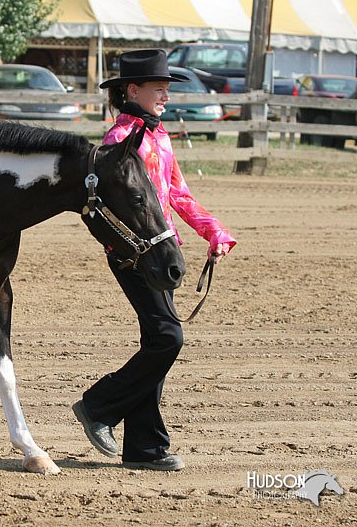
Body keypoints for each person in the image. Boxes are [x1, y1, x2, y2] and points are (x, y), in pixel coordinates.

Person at [72, 49, 236, 471]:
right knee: (168, 339)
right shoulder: (117, 143)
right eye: (158, 89)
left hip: (162, 253)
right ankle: (99, 405)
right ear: (133, 90)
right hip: (133, 256)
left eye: (167, 89)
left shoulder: (159, 137)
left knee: (157, 345)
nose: (165, 96)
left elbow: (178, 194)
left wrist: (213, 230)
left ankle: (145, 449)